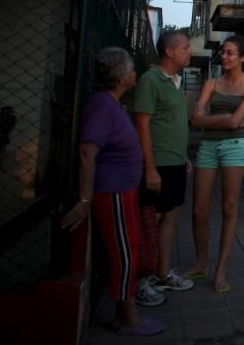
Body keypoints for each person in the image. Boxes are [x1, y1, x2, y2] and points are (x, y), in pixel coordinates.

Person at [61, 47, 166, 337]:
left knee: (128, 250)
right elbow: (87, 152)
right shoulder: (102, 107)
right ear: (121, 77)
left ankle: (126, 311)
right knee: (124, 253)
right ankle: (128, 317)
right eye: (132, 69)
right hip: (113, 192)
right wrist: (84, 200)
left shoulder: (112, 105)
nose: (135, 73)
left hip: (124, 190)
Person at [185, 35, 244, 293]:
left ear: (243, 58)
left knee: (229, 207)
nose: (224, 57)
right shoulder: (211, 82)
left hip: (235, 147)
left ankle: (220, 272)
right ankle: (201, 263)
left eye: (230, 53)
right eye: (223, 53)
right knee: (198, 210)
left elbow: (229, 123)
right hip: (208, 146)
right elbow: (195, 121)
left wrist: (215, 119)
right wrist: (228, 116)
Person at [132, 29, 195, 294]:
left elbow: (172, 124)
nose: (189, 51)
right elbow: (142, 125)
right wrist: (150, 168)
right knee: (151, 220)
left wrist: (184, 158)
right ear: (170, 51)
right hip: (157, 165)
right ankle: (138, 280)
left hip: (176, 163)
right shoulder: (151, 80)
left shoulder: (175, 82)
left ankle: (161, 272)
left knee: (171, 216)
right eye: (185, 47)